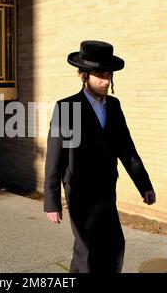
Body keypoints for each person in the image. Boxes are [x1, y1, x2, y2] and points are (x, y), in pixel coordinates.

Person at [44, 40, 156, 273]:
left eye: (109, 75)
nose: (106, 81)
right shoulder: (66, 108)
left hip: (106, 189)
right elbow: (55, 158)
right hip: (79, 191)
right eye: (100, 75)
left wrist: (144, 185)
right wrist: (52, 201)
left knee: (114, 246)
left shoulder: (114, 106)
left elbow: (127, 149)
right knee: (88, 250)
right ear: (84, 75)